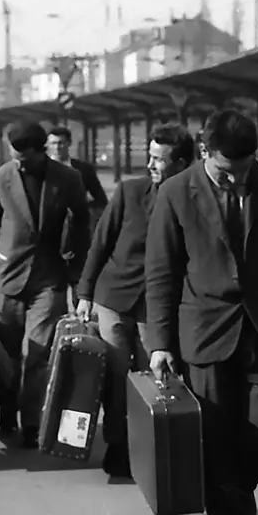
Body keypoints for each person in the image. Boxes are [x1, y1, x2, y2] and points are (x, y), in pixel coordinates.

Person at [146, 109, 258, 515]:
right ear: (205, 152)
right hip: (204, 330)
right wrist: (160, 344)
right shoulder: (176, 192)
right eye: (225, 171)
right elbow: (161, 272)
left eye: (244, 170)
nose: (237, 180)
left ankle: (237, 497)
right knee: (215, 436)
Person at [75, 124, 194, 480]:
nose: (151, 165)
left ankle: (149, 446)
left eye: (160, 159)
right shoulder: (129, 191)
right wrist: (84, 293)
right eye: (150, 157)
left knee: (151, 379)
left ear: (181, 163)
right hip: (113, 297)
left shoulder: (190, 199)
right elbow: (101, 242)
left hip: (154, 308)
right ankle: (117, 445)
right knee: (115, 376)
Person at [0, 120, 91, 446]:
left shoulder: (68, 178)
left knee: (36, 352)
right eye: (14, 157)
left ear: (41, 151)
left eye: (24, 159)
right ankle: (8, 410)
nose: (19, 164)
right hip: (6, 278)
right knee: (8, 355)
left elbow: (83, 224)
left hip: (49, 278)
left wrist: (78, 275)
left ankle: (32, 422)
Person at [46, 124, 110, 223]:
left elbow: (101, 199)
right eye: (53, 143)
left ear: (69, 143)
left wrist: (83, 210)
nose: (57, 147)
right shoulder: (43, 168)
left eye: (61, 143)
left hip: (76, 223)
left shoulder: (85, 169)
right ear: (47, 145)